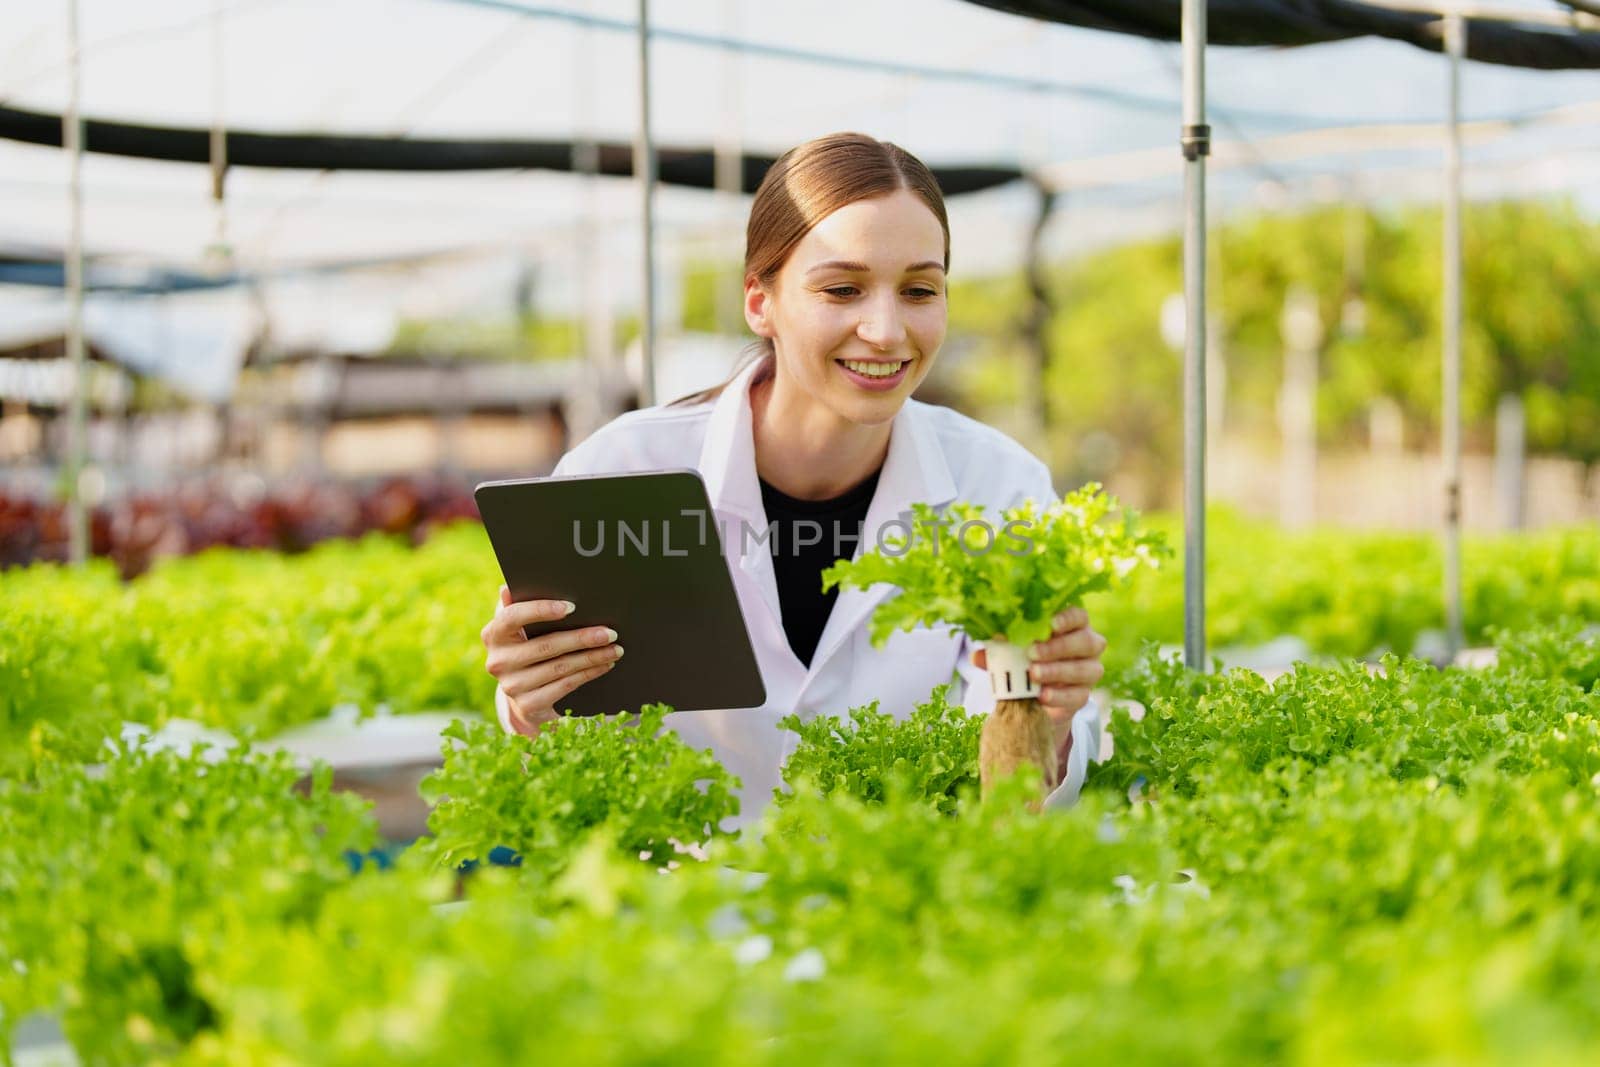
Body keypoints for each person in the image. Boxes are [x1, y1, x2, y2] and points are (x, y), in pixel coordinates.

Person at [480, 132, 1108, 831]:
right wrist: (532, 707)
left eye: (919, 290)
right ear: (760, 300)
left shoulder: (997, 485)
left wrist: (1048, 719)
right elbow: (577, 778)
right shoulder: (621, 472)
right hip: (673, 912)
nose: (886, 329)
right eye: (843, 288)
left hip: (900, 906)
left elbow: (1007, 803)